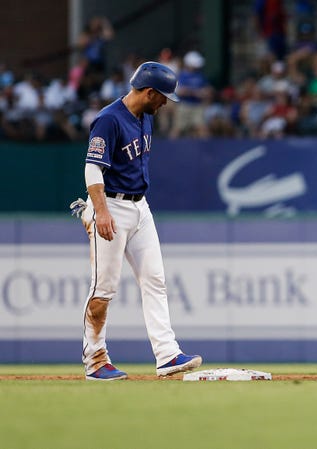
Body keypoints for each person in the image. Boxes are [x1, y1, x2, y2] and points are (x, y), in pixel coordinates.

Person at [73, 61, 202, 380]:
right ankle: (95, 360)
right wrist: (100, 211)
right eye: (162, 97)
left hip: (139, 207)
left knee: (155, 280)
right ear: (148, 92)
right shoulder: (108, 119)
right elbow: (92, 168)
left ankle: (168, 354)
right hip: (111, 206)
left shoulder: (144, 117)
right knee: (103, 289)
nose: (164, 103)